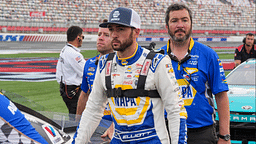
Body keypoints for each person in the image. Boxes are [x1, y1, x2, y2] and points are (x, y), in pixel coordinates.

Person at [74, 7, 187, 144]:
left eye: (120, 29)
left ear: (136, 32)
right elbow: (92, 111)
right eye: (111, 29)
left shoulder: (158, 62)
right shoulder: (104, 64)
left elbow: (176, 110)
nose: (114, 34)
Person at [159, 3, 230, 144]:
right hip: (166, 131)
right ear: (167, 26)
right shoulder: (157, 57)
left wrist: (225, 136)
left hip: (202, 132)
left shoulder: (209, 55)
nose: (180, 25)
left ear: (191, 24)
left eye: (184, 20)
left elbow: (221, 96)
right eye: (174, 21)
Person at [72, 19, 114, 144]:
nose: (100, 38)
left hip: (113, 124)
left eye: (106, 35)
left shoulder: (124, 66)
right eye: (99, 34)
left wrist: (116, 126)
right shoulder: (89, 64)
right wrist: (77, 121)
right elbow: (84, 94)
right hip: (91, 121)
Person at [56, 26, 86, 117]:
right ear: (78, 37)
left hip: (66, 88)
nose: (82, 39)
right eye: (82, 37)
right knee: (78, 115)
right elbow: (86, 72)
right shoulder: (74, 54)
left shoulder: (65, 49)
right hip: (73, 90)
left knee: (74, 115)